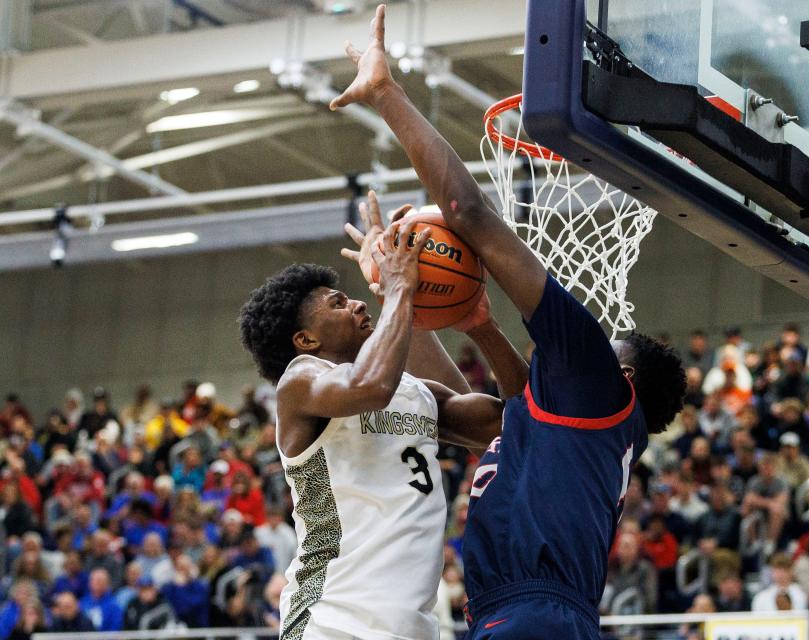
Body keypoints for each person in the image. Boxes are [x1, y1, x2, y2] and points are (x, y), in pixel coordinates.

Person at [330, 6, 686, 639]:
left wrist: (387, 94)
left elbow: (467, 210)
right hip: (527, 615)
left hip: (531, 617)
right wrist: (439, 312)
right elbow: (495, 404)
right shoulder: (570, 434)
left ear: (621, 370)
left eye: (609, 344)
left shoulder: (595, 380)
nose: (593, 343)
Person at [239, 203, 518, 636]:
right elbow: (370, 386)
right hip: (330, 622)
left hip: (412, 627)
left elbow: (510, 427)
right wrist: (398, 288)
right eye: (337, 303)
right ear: (306, 339)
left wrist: (478, 325)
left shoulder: (414, 392)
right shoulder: (302, 380)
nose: (354, 303)